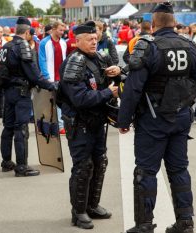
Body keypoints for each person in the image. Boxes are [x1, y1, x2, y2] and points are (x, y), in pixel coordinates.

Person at [118, 3, 196, 233]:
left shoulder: (148, 47)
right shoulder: (190, 45)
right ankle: (185, 222)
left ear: (153, 24)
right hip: (180, 117)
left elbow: (133, 89)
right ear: (174, 23)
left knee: (145, 172)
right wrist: (181, 102)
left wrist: (123, 121)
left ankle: (144, 225)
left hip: (153, 119)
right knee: (179, 170)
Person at [58, 21, 120, 229]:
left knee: (100, 163)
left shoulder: (100, 58)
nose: (94, 42)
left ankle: (92, 205)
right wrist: (107, 93)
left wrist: (117, 73)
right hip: (80, 123)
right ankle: (79, 212)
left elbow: (114, 80)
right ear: (78, 41)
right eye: (89, 39)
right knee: (83, 167)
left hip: (98, 122)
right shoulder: (73, 62)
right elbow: (80, 98)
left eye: (96, 38)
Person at [0, 17, 56, 177]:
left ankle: (6, 162)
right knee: (21, 129)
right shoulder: (23, 46)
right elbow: (34, 75)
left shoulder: (6, 46)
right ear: (28, 32)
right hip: (21, 93)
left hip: (8, 92)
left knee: (8, 127)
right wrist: (52, 86)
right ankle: (22, 167)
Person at [39, 21, 67, 134]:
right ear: (54, 29)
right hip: (49, 77)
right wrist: (46, 76)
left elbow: (64, 60)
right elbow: (42, 60)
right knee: (48, 103)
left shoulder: (63, 42)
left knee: (60, 102)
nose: (62, 32)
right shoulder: (44, 43)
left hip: (61, 78)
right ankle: (45, 125)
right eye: (60, 30)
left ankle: (60, 126)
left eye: (63, 30)